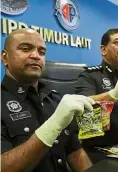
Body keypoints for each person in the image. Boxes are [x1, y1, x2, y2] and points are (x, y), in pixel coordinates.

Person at [1, 28, 94, 172]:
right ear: (5, 58)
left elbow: (75, 153)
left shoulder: (56, 100)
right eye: (25, 49)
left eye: (42, 52)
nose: (36, 56)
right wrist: (52, 126)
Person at [75, 28, 118, 163]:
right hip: (105, 151)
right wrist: (113, 94)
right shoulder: (90, 76)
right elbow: (83, 103)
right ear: (103, 50)